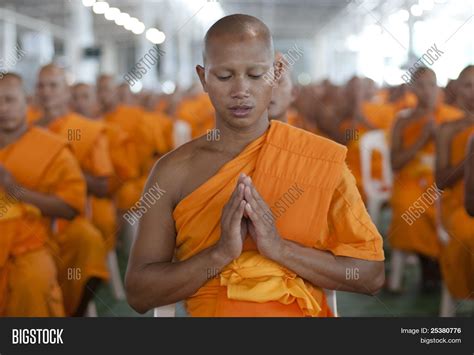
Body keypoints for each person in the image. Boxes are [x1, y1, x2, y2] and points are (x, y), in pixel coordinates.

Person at [125, 14, 384, 317]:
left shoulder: (318, 160)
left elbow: (370, 276)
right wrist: (219, 254)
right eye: (224, 76)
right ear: (203, 78)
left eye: (255, 75)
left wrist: (279, 248)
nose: (240, 90)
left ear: (275, 75)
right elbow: (139, 293)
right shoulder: (173, 172)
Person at [0, 73, 84, 316]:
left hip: (30, 246)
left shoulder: (52, 147)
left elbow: (70, 207)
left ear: (27, 101)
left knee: (33, 281)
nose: (2, 108)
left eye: (9, 100)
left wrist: (15, 189)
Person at [34, 64, 110, 316]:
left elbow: (103, 186)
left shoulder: (84, 129)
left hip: (67, 216)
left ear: (66, 92)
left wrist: (66, 172)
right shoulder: (22, 128)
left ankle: (72, 314)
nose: (46, 92)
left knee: (90, 241)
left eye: (53, 85)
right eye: (41, 86)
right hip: (29, 216)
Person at [388, 67, 464, 293]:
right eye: (420, 85)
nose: (427, 91)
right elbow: (395, 163)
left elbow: (459, 159)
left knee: (451, 208)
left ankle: (439, 267)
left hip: (444, 180)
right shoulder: (403, 120)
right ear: (411, 89)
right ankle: (427, 263)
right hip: (411, 180)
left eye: (432, 85)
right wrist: (423, 137)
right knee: (407, 208)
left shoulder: (453, 117)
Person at [435, 65, 474, 300]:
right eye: (469, 85)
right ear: (458, 89)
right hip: (460, 206)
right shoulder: (448, 129)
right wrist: (469, 159)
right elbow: (440, 181)